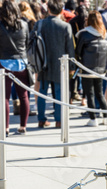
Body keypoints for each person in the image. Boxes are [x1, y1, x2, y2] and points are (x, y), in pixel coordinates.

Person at [35, 0, 75, 128]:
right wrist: (72, 67)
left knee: (42, 91)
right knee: (59, 92)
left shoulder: (39, 24)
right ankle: (59, 120)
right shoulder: (65, 26)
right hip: (60, 63)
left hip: (42, 61)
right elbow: (70, 48)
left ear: (49, 9)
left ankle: (41, 119)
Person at [0, 0, 30, 135]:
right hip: (21, 62)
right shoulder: (24, 25)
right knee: (24, 96)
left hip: (4, 63)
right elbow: (27, 43)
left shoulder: (0, 26)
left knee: (4, 98)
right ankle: (23, 126)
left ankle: (5, 127)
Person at [76, 10, 107, 126]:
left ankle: (93, 119)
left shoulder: (84, 34)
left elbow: (78, 51)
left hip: (87, 68)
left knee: (89, 94)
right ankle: (106, 118)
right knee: (99, 94)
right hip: (100, 69)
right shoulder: (103, 33)